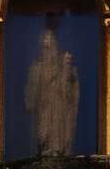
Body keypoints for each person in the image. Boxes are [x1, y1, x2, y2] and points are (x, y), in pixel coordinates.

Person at [25, 15, 80, 154]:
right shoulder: (37, 67)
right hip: (43, 110)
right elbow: (31, 96)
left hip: (59, 110)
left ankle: (57, 151)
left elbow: (69, 89)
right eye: (45, 44)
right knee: (43, 135)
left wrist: (67, 69)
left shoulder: (62, 64)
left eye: (50, 43)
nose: (48, 47)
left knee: (57, 136)